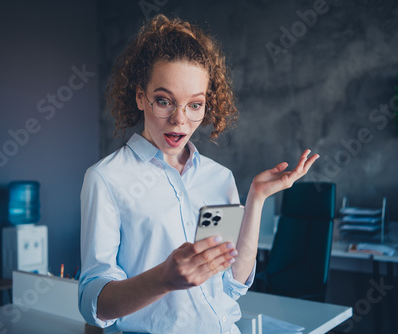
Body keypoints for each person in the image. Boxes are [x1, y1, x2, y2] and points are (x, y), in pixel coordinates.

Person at [78, 14, 319, 334]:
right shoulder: (106, 179)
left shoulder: (218, 178)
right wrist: (163, 279)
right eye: (164, 101)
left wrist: (256, 199)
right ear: (140, 97)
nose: (179, 119)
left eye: (195, 105)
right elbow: (93, 304)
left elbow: (231, 284)